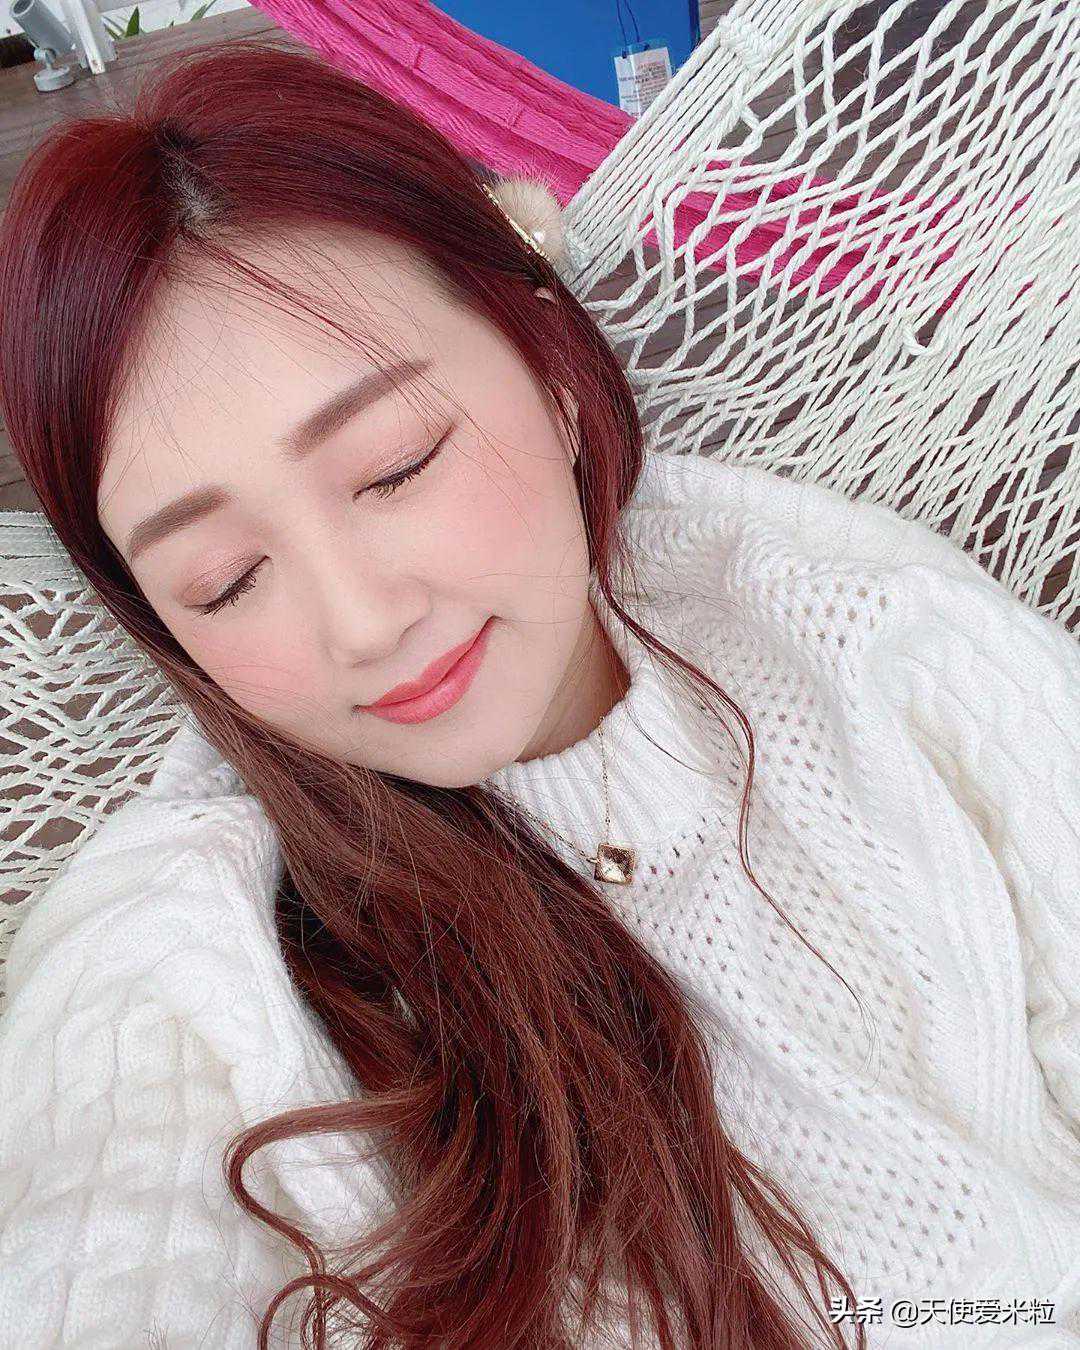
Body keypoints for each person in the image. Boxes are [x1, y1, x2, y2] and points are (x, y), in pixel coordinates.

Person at [0, 37, 1078, 1350]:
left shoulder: (875, 651)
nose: (363, 621)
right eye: (224, 581)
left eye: (395, 465)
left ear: (551, 365)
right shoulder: (180, 954)